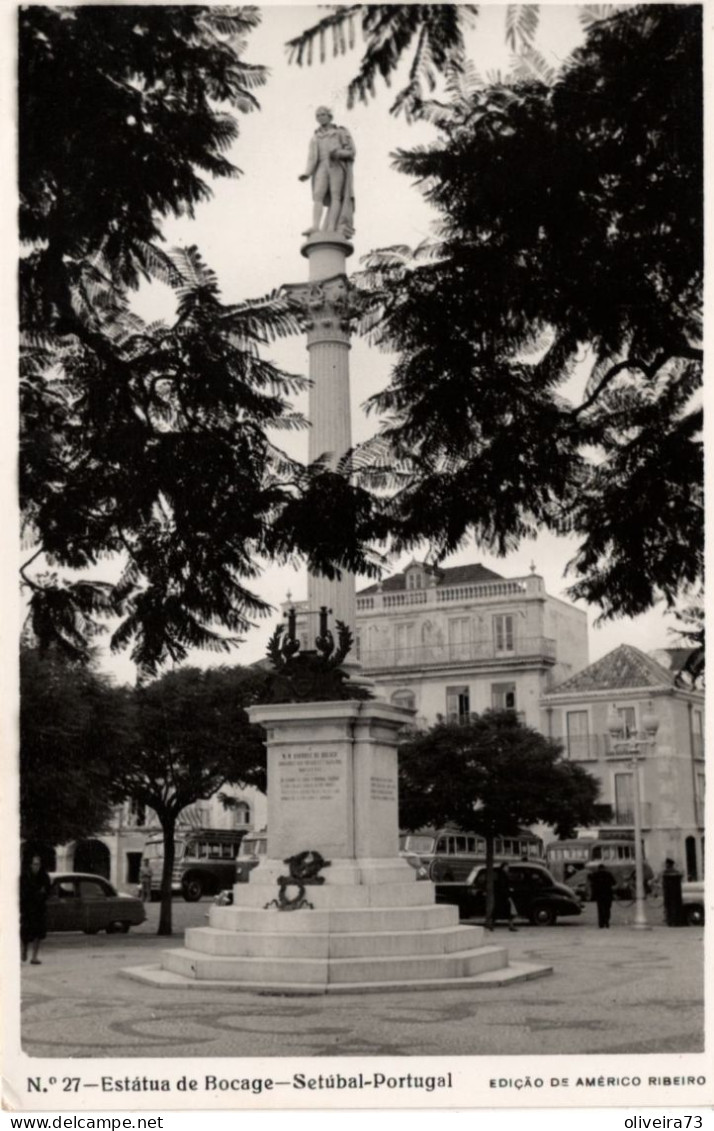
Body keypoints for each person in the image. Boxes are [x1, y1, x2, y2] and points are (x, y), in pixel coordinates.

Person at [299, 106, 355, 237]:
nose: (320, 117)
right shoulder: (315, 136)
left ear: (330, 116)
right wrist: (307, 173)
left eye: (323, 114)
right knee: (317, 195)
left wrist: (339, 153)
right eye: (318, 115)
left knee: (336, 196)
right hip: (321, 166)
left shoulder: (340, 132)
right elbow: (312, 157)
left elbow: (351, 152)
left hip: (336, 165)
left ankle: (331, 227)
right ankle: (315, 226)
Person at [20, 854, 51, 964]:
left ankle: (34, 957)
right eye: (35, 864)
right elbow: (23, 892)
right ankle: (24, 951)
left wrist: (41, 893)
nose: (36, 867)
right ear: (30, 865)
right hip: (27, 909)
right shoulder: (25, 876)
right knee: (25, 932)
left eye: (38, 864)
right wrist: (37, 892)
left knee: (39, 933)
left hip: (39, 908)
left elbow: (47, 890)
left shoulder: (44, 876)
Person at [589, 863, 616, 928]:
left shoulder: (595, 875)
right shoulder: (608, 874)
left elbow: (591, 881)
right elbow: (614, 883)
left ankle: (601, 923)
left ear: (598, 868)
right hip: (608, 894)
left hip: (599, 895)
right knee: (607, 909)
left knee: (600, 909)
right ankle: (607, 922)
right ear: (604, 868)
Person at [493, 863, 518, 931]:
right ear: (503, 867)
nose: (508, 868)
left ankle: (492, 924)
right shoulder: (503, 876)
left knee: (502, 911)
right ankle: (510, 926)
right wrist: (508, 893)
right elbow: (503, 887)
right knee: (510, 910)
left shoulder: (501, 875)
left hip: (502, 896)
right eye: (507, 867)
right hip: (504, 896)